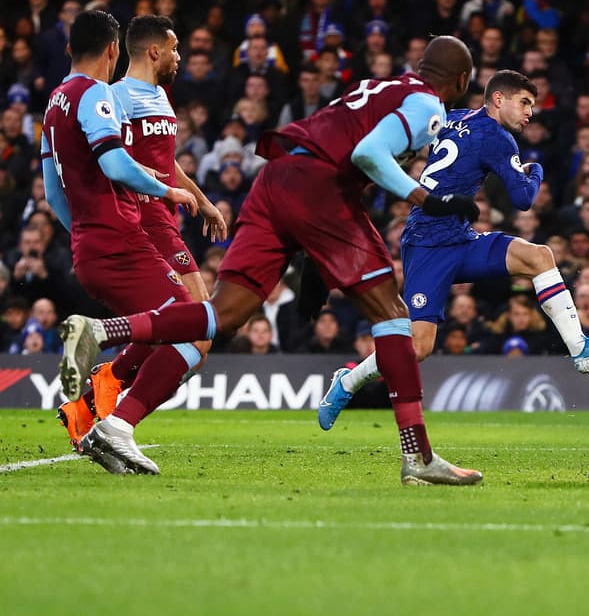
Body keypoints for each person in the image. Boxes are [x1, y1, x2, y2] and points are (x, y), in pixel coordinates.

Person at [59, 36, 481, 486]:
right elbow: (366, 155)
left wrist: (318, 262)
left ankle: (104, 342)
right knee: (394, 317)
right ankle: (417, 455)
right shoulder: (426, 105)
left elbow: (337, 144)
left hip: (275, 180)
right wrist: (425, 198)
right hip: (318, 190)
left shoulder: (382, 86)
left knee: (223, 316)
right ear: (462, 80)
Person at [316, 70, 589, 430]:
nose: (530, 112)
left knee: (539, 256)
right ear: (499, 99)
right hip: (428, 243)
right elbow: (524, 199)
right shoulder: (498, 138)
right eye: (525, 103)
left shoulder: (455, 117)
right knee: (418, 347)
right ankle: (347, 382)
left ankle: (579, 348)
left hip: (460, 238)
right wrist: (537, 170)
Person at [57, 15, 228, 452]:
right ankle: (111, 397)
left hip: (166, 218)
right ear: (154, 50)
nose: (178, 56)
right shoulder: (113, 96)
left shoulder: (160, 96)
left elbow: (164, 162)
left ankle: (104, 387)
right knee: (196, 326)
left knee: (190, 326)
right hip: (143, 223)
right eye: (174, 48)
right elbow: (119, 164)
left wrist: (202, 200)